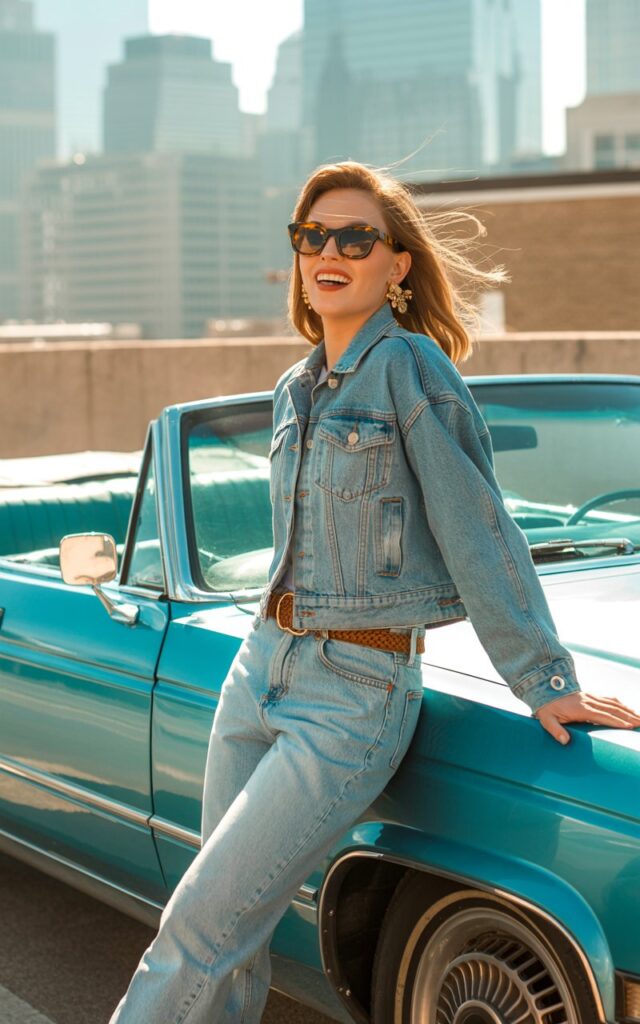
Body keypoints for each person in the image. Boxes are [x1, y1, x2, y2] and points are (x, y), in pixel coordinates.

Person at [108, 161, 640, 1023]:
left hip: (353, 693)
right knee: (229, 936)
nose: (330, 250)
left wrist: (546, 679)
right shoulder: (293, 389)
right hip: (259, 669)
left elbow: (479, 525)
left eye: (357, 237)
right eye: (312, 235)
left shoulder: (412, 370)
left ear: (397, 266)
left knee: (196, 929)